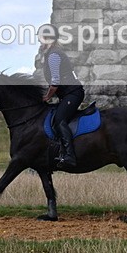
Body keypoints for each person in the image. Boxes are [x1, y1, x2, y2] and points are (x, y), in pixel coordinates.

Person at [38, 24, 84, 168]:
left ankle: (70, 156)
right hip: (68, 94)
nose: (39, 41)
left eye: (41, 38)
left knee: (59, 120)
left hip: (73, 93)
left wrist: (47, 97)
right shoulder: (52, 53)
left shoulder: (53, 55)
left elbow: (55, 82)